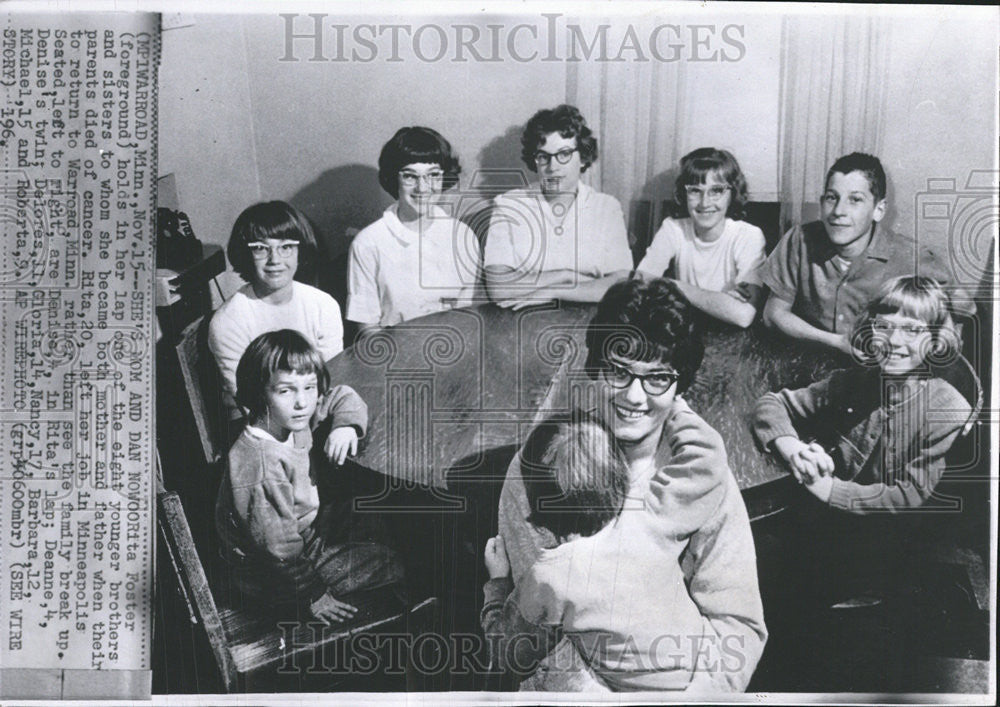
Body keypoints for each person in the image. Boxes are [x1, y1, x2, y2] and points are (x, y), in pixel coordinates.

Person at [498, 277, 767, 692]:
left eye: (658, 377)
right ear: (595, 368)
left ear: (681, 385)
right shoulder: (542, 465)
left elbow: (736, 621)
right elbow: (541, 631)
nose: (635, 397)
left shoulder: (703, 475)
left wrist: (694, 702)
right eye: (618, 372)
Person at [483, 414, 710, 690]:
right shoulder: (650, 526)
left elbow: (509, 654)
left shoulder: (549, 577)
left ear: (534, 505)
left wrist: (497, 585)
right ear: (621, 479)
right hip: (698, 668)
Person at [215, 330, 404, 623]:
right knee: (391, 561)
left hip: (304, 530)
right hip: (271, 579)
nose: (303, 402)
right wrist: (315, 595)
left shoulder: (289, 418)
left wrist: (346, 426)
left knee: (379, 515)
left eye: (310, 387)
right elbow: (278, 551)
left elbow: (342, 395)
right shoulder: (260, 466)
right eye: (286, 390)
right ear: (258, 393)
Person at [753, 275, 980, 513]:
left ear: (935, 341)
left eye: (913, 330)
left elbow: (909, 495)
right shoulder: (855, 381)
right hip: (834, 517)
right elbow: (773, 403)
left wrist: (829, 489)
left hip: (896, 535)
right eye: (883, 326)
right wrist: (793, 450)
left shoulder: (947, 410)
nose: (894, 340)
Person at [759, 152, 972, 355]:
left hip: (876, 370)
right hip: (806, 357)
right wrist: (837, 342)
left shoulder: (909, 255)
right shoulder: (799, 240)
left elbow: (966, 308)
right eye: (832, 198)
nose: (838, 211)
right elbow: (773, 315)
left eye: (855, 200)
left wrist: (942, 329)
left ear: (878, 210)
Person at [483, 104, 634, 308]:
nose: (552, 167)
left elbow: (622, 285)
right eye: (544, 156)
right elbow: (499, 288)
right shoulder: (509, 205)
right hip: (523, 319)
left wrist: (555, 291)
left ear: (583, 158)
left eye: (564, 154)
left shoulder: (606, 207)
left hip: (593, 317)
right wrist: (565, 275)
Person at [208, 201, 344, 417]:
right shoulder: (229, 320)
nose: (275, 260)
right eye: (261, 249)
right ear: (245, 254)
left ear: (301, 251)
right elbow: (246, 399)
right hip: (259, 419)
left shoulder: (323, 305)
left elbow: (333, 380)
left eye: (286, 247)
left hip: (318, 411)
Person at [346, 126, 481, 333]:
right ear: (394, 179)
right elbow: (368, 328)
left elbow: (468, 315)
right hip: (393, 356)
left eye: (433, 175)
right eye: (410, 176)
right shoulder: (368, 243)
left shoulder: (463, 236)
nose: (423, 187)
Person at [636, 148, 766, 328]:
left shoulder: (748, 235)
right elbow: (639, 284)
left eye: (716, 190)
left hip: (731, 336)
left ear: (732, 193)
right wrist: (721, 302)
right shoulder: (673, 228)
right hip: (683, 329)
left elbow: (743, 315)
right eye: (695, 191)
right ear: (683, 194)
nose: (705, 202)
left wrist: (672, 286)